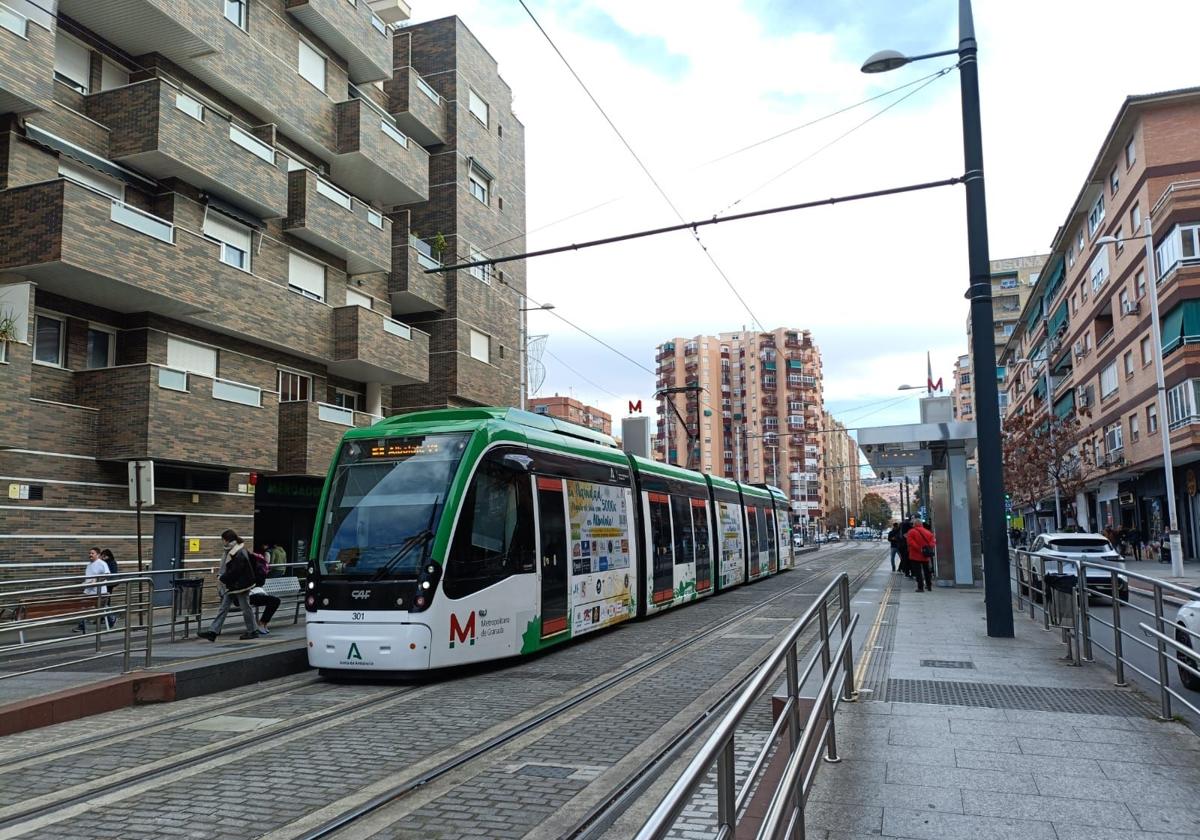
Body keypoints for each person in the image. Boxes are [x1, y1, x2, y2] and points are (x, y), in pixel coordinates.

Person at [199, 530, 259, 641]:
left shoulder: (238, 551)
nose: (222, 542)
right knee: (224, 608)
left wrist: (223, 578)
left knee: (246, 608)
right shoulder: (231, 550)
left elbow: (236, 571)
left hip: (240, 585)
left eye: (223, 539)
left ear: (227, 540)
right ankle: (213, 632)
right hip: (233, 585)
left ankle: (253, 631)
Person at [76, 547, 109, 633]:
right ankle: (82, 625)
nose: (90, 555)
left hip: (99, 591)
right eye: (89, 553)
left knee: (100, 608)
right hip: (88, 591)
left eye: (92, 553)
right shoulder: (89, 565)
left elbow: (107, 575)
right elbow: (88, 577)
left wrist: (97, 581)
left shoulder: (102, 563)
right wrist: (84, 583)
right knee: (82, 607)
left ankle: (111, 618)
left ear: (98, 555)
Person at [905, 519, 936, 593]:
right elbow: (933, 542)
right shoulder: (928, 532)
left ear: (914, 524)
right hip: (925, 555)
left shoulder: (911, 532)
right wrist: (928, 547)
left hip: (915, 555)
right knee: (927, 571)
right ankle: (929, 586)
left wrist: (919, 549)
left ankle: (920, 587)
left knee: (918, 572)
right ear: (921, 524)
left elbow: (910, 542)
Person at [99, 549, 118, 629]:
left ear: (108, 556)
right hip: (107, 584)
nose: (103, 558)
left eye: (104, 556)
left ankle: (111, 617)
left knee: (106, 601)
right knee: (105, 601)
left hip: (109, 584)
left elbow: (111, 573)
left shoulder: (110, 562)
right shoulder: (108, 562)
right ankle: (104, 617)